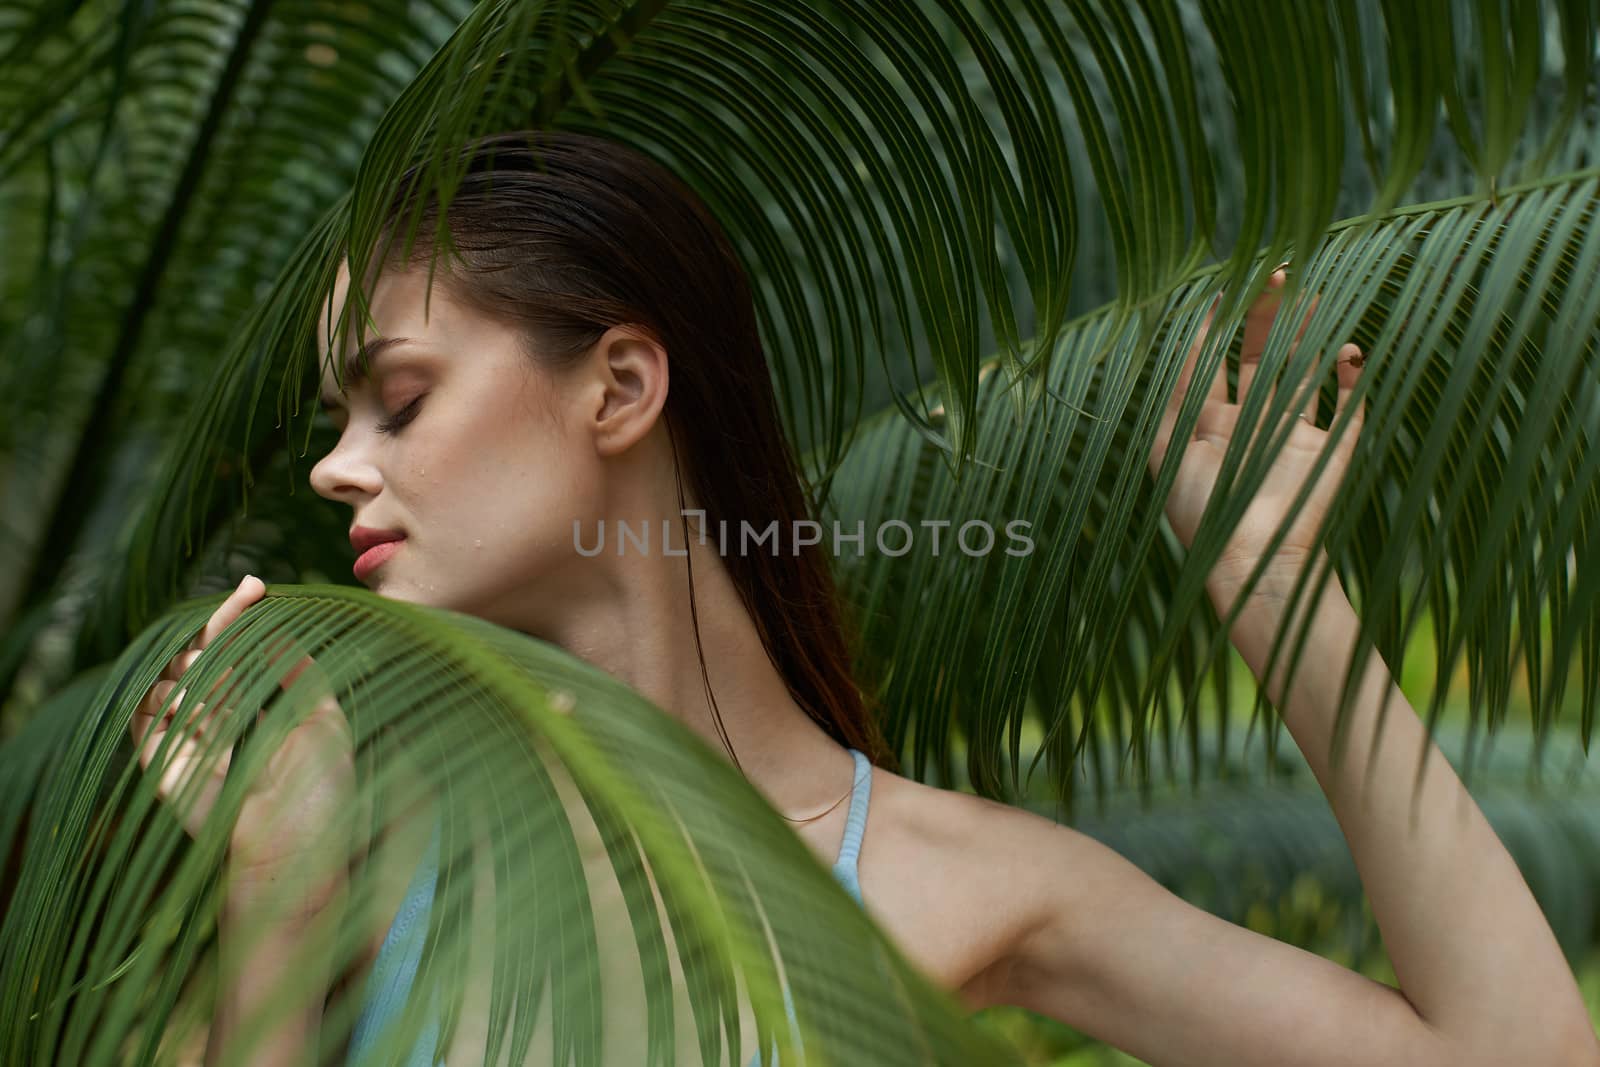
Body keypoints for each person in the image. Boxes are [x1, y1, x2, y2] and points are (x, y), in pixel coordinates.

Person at [132, 130, 1600, 1066]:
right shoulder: (355, 839)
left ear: (621, 387)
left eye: (398, 400)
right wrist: (277, 886)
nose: (336, 468)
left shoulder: (961, 883)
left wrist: (1276, 589)